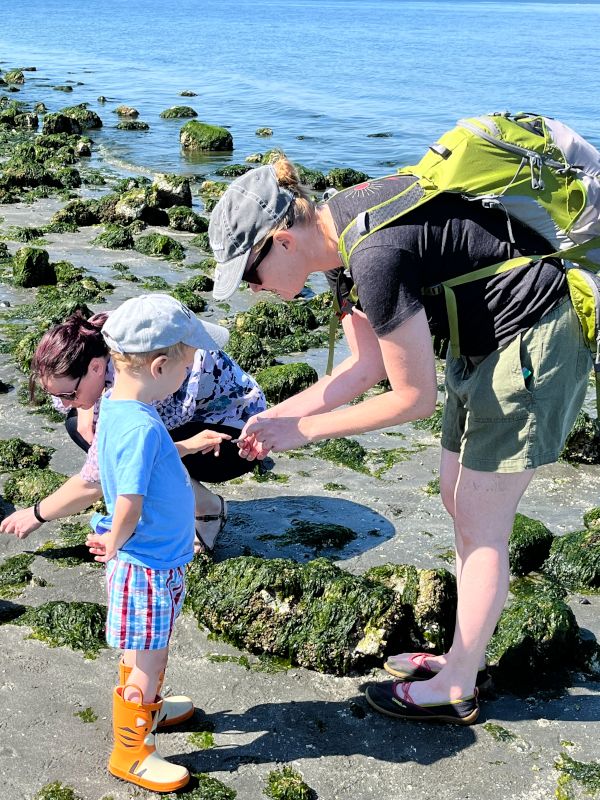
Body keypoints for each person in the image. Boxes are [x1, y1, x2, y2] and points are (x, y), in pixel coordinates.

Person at [207, 159, 591, 725]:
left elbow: (413, 400)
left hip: (531, 340)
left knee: (483, 524)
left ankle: (459, 683)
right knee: (456, 499)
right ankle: (465, 654)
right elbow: (365, 368)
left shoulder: (373, 256)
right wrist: (270, 420)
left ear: (282, 241)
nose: (254, 289)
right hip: (479, 339)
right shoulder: (340, 238)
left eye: (251, 274)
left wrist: (303, 432)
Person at [84, 293, 228, 791]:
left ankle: (149, 709)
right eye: (188, 365)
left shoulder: (120, 408)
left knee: (147, 650)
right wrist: (115, 540)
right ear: (161, 365)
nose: (191, 374)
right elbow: (129, 498)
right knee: (148, 655)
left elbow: (145, 458)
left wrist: (189, 444)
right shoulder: (141, 425)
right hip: (146, 564)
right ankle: (131, 752)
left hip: (153, 559)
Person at [0, 306, 266, 553]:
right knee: (80, 425)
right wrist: (83, 408)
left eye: (69, 394)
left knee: (128, 450)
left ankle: (206, 508)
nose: (65, 402)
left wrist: (37, 513)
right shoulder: (98, 335)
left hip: (233, 438)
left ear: (95, 367)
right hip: (186, 423)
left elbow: (96, 480)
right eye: (59, 395)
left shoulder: (149, 381)